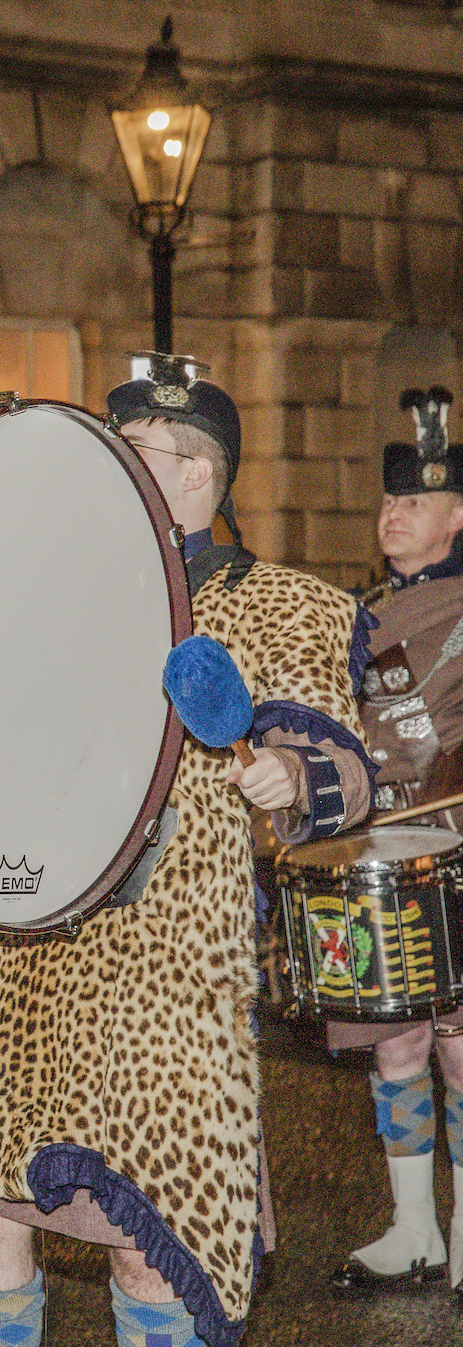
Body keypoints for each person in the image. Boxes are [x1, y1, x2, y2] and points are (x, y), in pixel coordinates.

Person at [0, 358, 374, 1347]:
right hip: (18, 958)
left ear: (200, 472)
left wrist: (292, 780)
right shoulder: (45, 598)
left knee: (150, 1250)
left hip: (162, 971)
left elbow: (340, 764)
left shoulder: (282, 604)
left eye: (131, 454)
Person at [328, 385, 463, 1295]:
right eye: (386, 501)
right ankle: (415, 1224)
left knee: (459, 1042)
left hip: (456, 845)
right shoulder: (365, 612)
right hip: (385, 848)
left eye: (411, 502)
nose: (392, 515)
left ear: (456, 515)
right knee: (398, 1042)